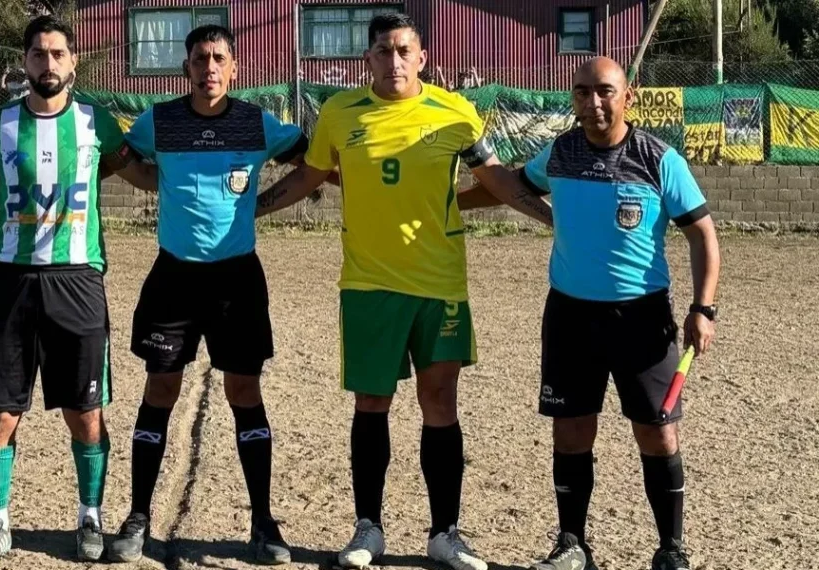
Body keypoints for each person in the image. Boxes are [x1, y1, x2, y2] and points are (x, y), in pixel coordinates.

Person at [254, 13, 553, 570]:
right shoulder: (340, 114)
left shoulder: (456, 113)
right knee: (373, 403)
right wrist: (255, 207)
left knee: (439, 403)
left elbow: (497, 180)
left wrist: (550, 216)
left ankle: (445, 534)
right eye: (382, 52)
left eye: (403, 50)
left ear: (421, 57)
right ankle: (368, 528)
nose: (393, 61)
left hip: (440, 284)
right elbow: (309, 177)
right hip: (368, 285)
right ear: (366, 59)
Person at [461, 57, 719, 570]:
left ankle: (672, 548)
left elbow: (703, 235)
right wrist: (444, 204)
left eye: (605, 91)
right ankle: (572, 544)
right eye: (582, 92)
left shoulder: (659, 159)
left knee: (658, 430)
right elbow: (510, 186)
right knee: (571, 429)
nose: (593, 103)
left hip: (641, 319)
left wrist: (703, 308)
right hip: (571, 317)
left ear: (630, 96)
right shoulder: (560, 153)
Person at [107, 24, 331, 566]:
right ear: (186, 68)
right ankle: (137, 515)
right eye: (200, 59)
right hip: (174, 277)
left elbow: (315, 164)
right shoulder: (159, 120)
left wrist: (264, 203)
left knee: (244, 392)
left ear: (234, 68)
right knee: (161, 388)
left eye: (219, 59)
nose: (209, 67)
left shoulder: (258, 123)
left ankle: (263, 520)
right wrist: (156, 185)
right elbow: (122, 158)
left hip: (236, 280)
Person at [0, 15, 154, 564]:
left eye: (58, 54)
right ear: (25, 62)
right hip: (11, 280)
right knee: (1, 412)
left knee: (85, 412)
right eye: (39, 55)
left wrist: (202, 174)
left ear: (73, 61)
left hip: (79, 279)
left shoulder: (97, 123)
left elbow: (138, 174)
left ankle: (89, 517)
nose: (49, 64)